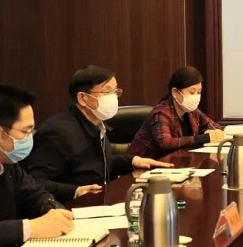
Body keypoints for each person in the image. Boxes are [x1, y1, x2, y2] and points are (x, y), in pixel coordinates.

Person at [21, 65, 171, 203]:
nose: (113, 98)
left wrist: (132, 161)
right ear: (83, 98)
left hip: (99, 202)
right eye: (107, 92)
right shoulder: (58, 132)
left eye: (115, 91)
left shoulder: (96, 123)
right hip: (71, 208)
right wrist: (76, 191)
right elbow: (35, 181)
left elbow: (93, 164)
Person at [0, 83, 74, 247]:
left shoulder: (7, 165)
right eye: (25, 132)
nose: (30, 138)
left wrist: (54, 211)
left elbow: (37, 195)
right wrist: (28, 229)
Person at [128, 66, 225, 159]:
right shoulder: (161, 112)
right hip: (146, 163)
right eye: (191, 92)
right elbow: (166, 143)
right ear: (175, 92)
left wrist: (210, 132)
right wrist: (204, 138)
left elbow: (215, 127)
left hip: (176, 161)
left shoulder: (192, 111)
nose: (196, 96)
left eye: (199, 92)